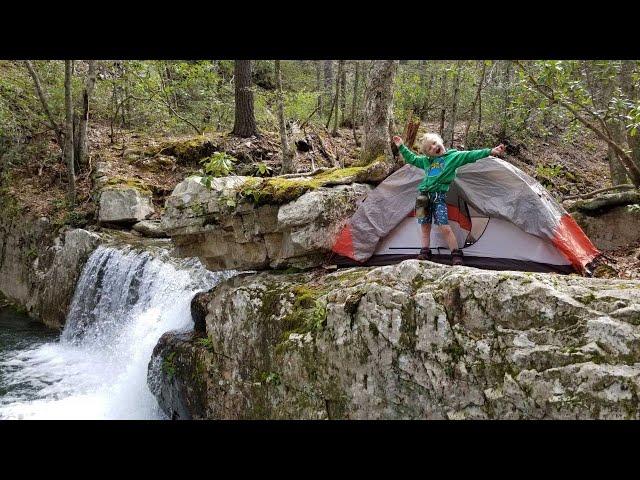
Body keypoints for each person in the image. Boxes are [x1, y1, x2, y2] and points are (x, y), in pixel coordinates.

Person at [392, 133, 506, 266]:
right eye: (429, 148)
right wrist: (401, 146)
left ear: (440, 141)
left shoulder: (453, 157)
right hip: (422, 197)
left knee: (445, 227)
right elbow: (412, 159)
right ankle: (425, 252)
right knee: (424, 226)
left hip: (438, 198)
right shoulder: (426, 161)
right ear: (428, 154)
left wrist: (490, 151)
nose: (434, 147)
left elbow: (470, 155)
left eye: (434, 143)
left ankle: (456, 254)